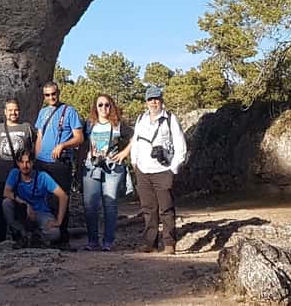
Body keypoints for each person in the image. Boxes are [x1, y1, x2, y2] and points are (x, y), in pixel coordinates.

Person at [131, 85, 187, 255]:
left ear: (161, 100)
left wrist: (173, 169)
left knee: (166, 208)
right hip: (143, 170)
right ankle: (150, 243)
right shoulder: (141, 118)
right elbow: (136, 141)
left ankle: (169, 243)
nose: (153, 102)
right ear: (146, 102)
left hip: (163, 170)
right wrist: (134, 162)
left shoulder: (170, 119)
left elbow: (180, 145)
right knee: (148, 209)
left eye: (156, 99)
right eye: (150, 99)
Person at [33, 80, 83, 244]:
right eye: (47, 95)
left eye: (53, 94)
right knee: (43, 198)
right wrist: (36, 158)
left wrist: (62, 145)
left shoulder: (69, 112)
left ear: (58, 92)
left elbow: (79, 138)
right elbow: (39, 136)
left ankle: (62, 237)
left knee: (60, 199)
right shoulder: (43, 113)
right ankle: (45, 235)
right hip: (42, 162)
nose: (51, 97)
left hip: (60, 164)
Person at [81, 94, 132, 252]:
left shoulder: (118, 125)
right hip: (92, 167)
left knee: (110, 205)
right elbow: (81, 143)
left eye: (107, 105)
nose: (104, 108)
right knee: (90, 205)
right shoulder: (89, 124)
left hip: (112, 167)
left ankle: (108, 241)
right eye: (100, 105)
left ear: (112, 106)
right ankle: (92, 241)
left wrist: (124, 153)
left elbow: (135, 137)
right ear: (95, 108)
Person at [0, 98, 35, 243]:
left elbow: (34, 147)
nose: (13, 113)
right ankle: (0, 237)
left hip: (22, 177)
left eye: (16, 109)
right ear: (5, 112)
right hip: (2, 175)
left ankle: (21, 234)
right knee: (0, 206)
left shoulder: (26, 128)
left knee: (21, 206)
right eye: (10, 110)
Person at [2, 149, 67, 248]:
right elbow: (6, 192)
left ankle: (35, 236)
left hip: (41, 212)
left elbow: (63, 196)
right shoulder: (15, 173)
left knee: (54, 233)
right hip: (23, 211)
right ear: (17, 163)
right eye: (22, 162)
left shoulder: (42, 176)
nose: (25, 166)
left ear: (32, 162)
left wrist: (59, 221)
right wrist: (25, 204)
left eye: (28, 162)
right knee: (6, 203)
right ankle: (21, 233)